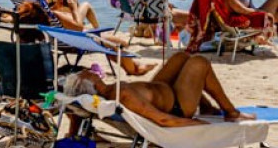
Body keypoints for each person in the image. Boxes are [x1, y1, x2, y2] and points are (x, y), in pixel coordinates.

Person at [60, 52, 251, 127]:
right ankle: (231, 112)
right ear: (90, 85)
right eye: (84, 73)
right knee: (199, 62)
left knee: (181, 57)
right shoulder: (122, 95)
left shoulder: (108, 91)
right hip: (177, 105)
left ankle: (208, 106)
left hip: (162, 90)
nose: (87, 70)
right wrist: (198, 125)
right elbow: (162, 118)